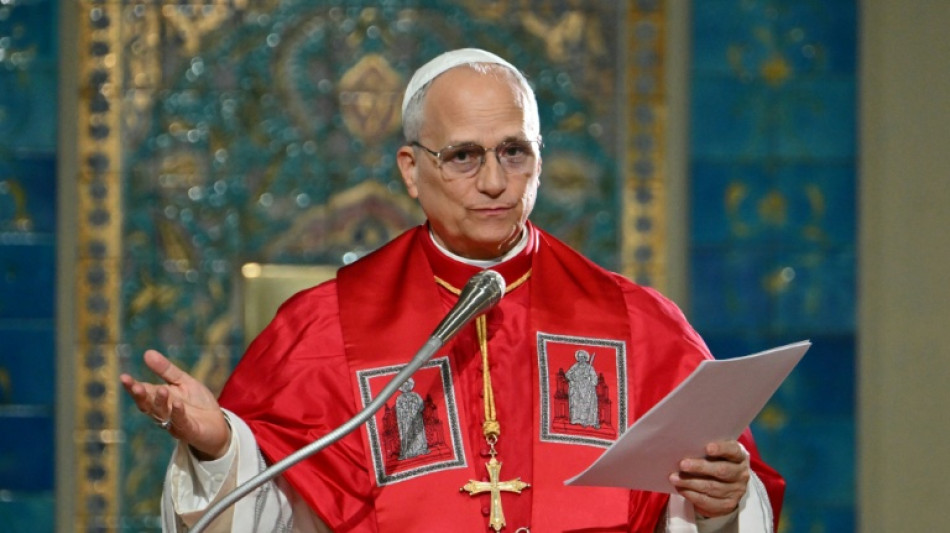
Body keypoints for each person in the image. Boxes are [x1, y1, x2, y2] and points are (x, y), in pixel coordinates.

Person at [121, 48, 785, 532]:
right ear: (412, 169)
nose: (494, 181)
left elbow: (724, 494)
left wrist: (721, 502)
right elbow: (269, 516)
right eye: (464, 155)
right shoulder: (324, 330)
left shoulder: (636, 324)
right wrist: (219, 449)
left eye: (515, 151)